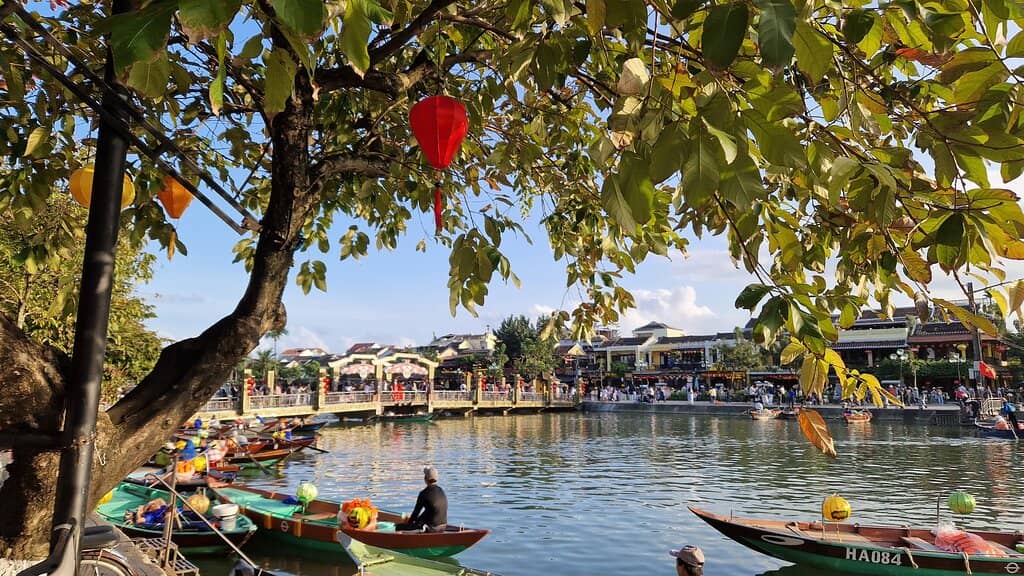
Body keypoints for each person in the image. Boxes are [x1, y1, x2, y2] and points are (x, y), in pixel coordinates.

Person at [397, 466, 447, 532]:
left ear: (425, 478)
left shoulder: (424, 493)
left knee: (398, 527)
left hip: (431, 529)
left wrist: (408, 525)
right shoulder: (441, 490)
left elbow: (415, 513)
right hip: (443, 526)